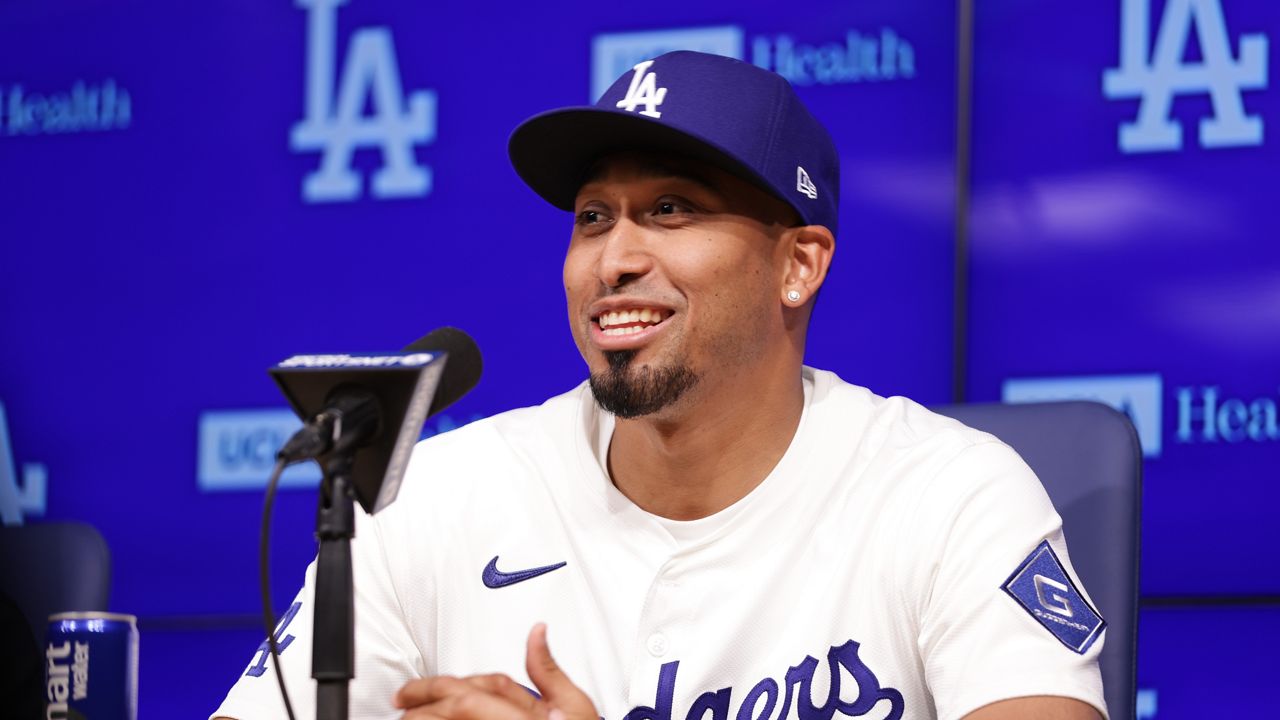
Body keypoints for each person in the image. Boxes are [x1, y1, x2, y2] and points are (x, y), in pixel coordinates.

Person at [214, 51, 1108, 720]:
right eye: (593, 217)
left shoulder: (950, 496)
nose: (615, 259)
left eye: (671, 210)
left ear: (799, 264)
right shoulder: (437, 499)